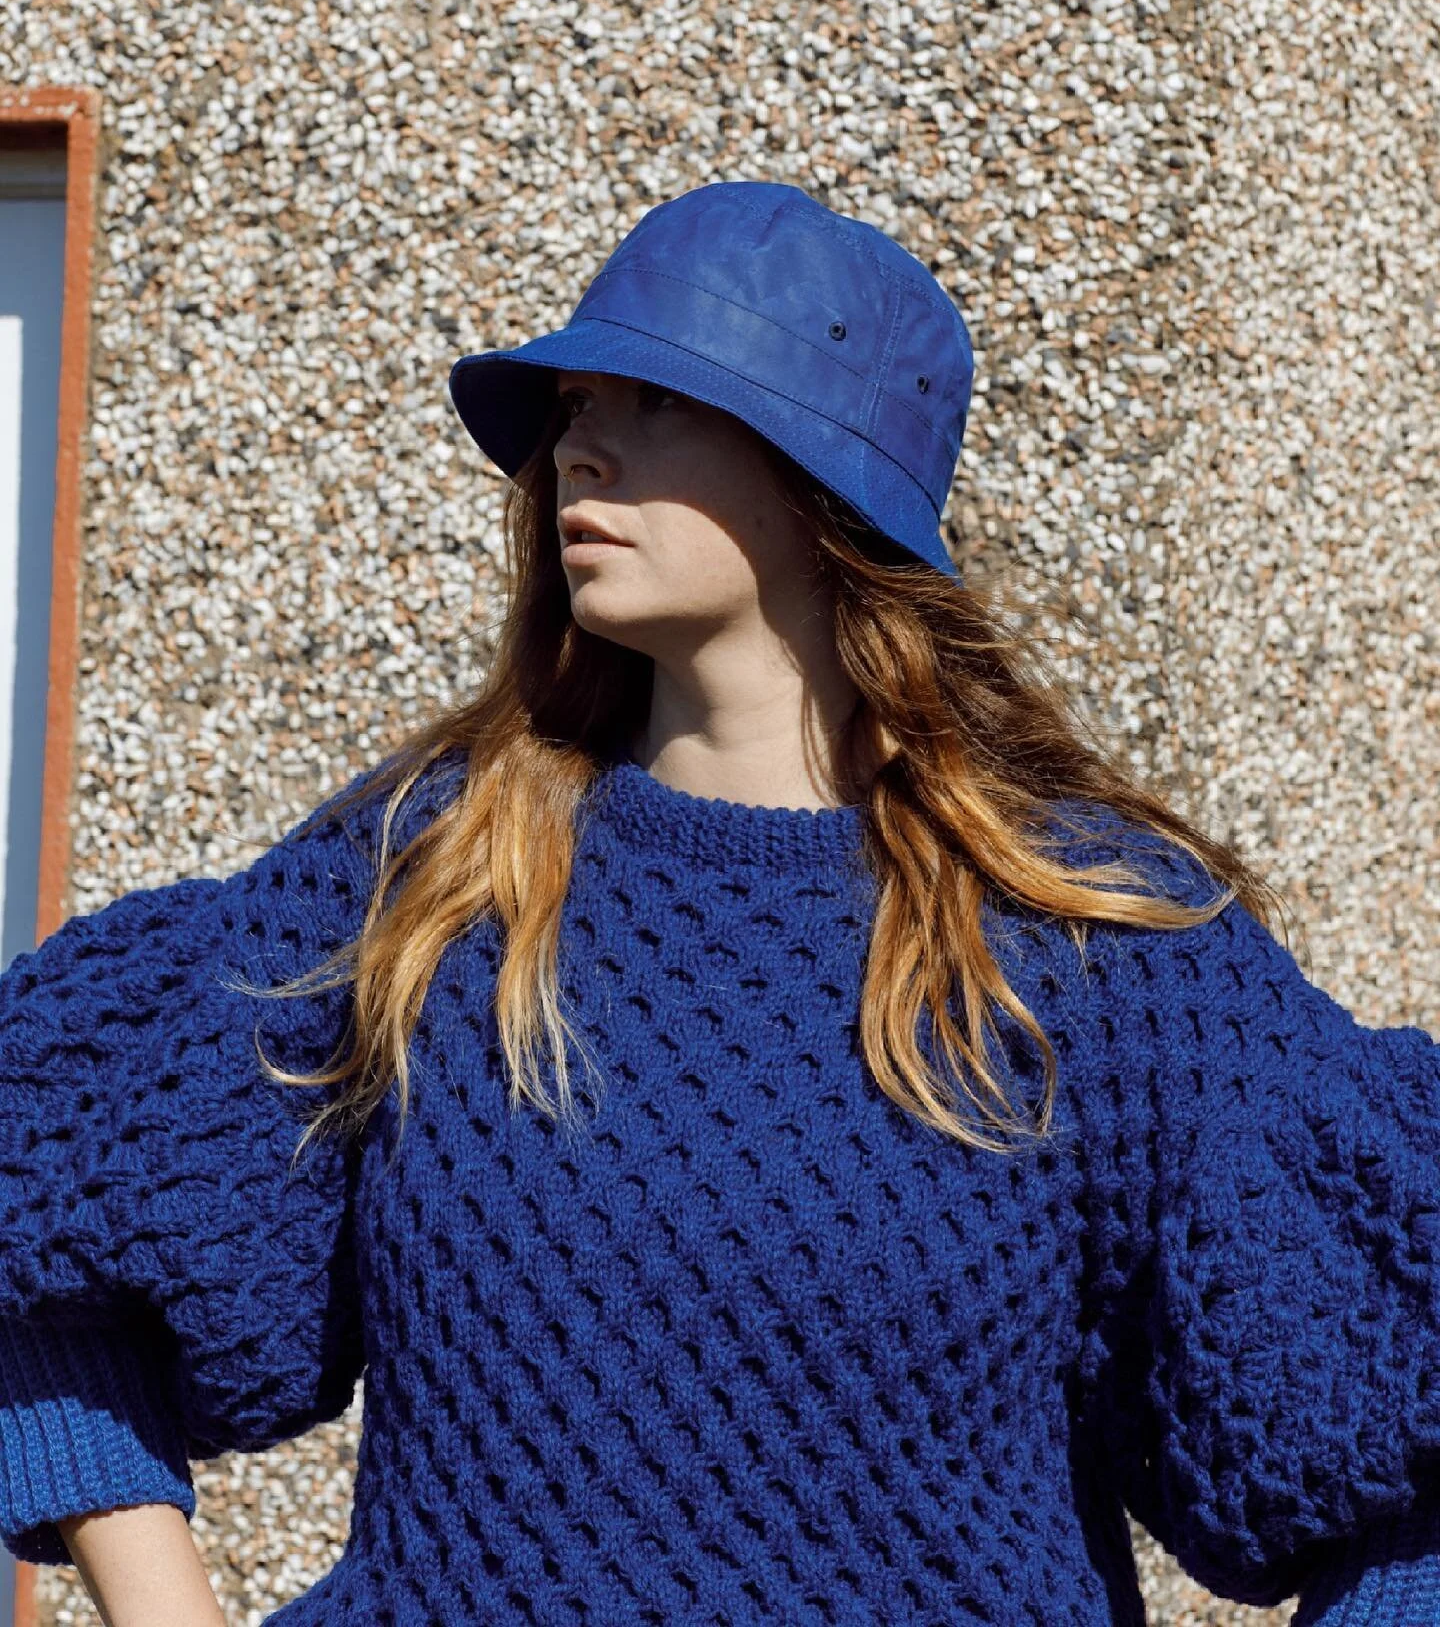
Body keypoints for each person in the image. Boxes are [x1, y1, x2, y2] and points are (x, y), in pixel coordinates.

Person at [1, 180, 1437, 1625]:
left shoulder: (1089, 942)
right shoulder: (436, 868)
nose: (581, 447)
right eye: (570, 404)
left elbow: (1403, 1467)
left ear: (825, 481)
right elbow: (47, 1220)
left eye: (657, 402)